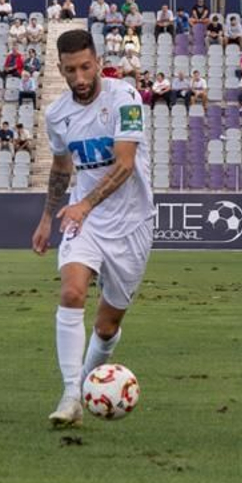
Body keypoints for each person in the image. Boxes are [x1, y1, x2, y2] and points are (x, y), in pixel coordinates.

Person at [33, 28, 155, 428]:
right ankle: (71, 394)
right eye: (71, 70)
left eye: (86, 67)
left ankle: (84, 386)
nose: (80, 78)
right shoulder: (57, 115)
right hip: (84, 219)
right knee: (70, 291)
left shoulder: (126, 99)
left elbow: (124, 163)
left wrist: (84, 203)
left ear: (98, 61)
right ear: (60, 69)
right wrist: (50, 216)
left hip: (132, 223)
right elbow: (61, 168)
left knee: (106, 326)